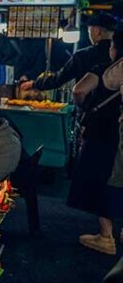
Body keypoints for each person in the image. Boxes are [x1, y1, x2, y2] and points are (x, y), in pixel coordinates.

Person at [68, 27, 123, 253]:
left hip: (103, 132)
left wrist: (84, 109)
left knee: (101, 179)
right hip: (119, 133)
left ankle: (105, 236)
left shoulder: (104, 71)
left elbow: (78, 90)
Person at [22, 14, 116, 93]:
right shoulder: (119, 54)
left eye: (89, 31)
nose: (89, 35)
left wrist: (34, 84)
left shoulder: (83, 55)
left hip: (90, 105)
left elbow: (59, 79)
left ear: (97, 32)